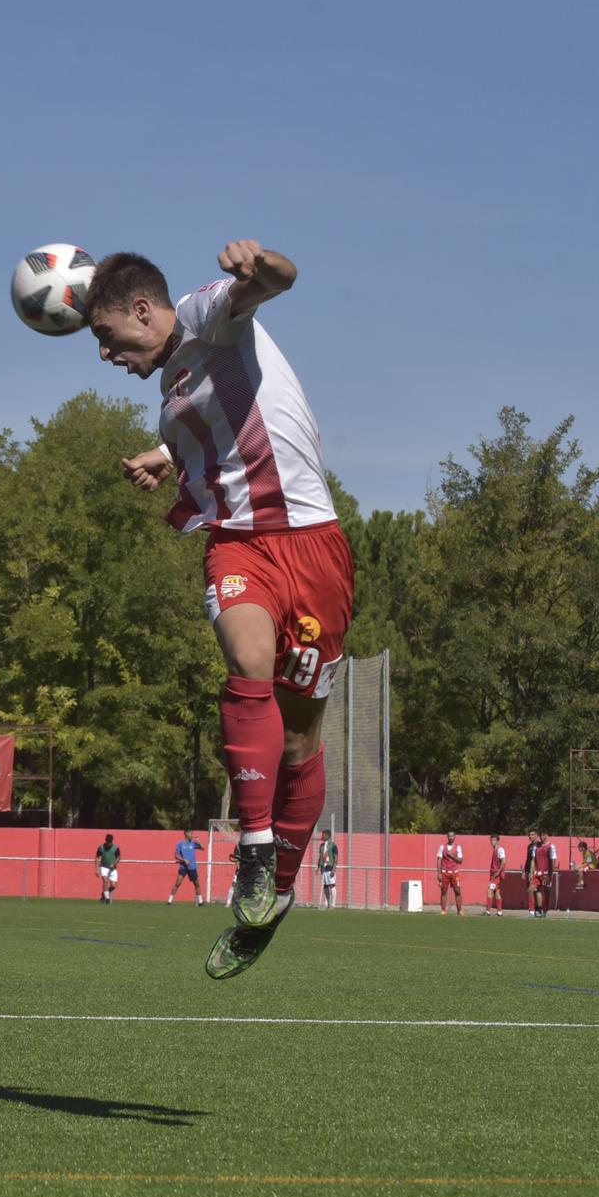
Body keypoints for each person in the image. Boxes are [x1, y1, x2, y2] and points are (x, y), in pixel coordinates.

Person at [84, 240, 354, 978]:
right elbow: (220, 427)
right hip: (239, 546)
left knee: (301, 741)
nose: (104, 354)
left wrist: (262, 263)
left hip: (314, 546)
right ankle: (257, 854)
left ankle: (277, 894)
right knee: (247, 660)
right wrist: (166, 455)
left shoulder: (208, 316)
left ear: (144, 310)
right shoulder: (175, 385)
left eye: (106, 336)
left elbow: (273, 284)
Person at [168, 830, 202, 905]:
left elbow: (202, 848)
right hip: (183, 867)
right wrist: (184, 860)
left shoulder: (193, 843)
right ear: (186, 834)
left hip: (192, 867)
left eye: (192, 833)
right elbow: (176, 855)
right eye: (191, 833)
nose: (192, 835)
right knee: (178, 883)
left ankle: (200, 902)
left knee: (197, 884)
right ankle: (170, 901)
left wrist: (199, 842)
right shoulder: (180, 844)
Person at [436, 831, 464, 916]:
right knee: (443, 891)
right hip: (444, 872)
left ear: (455, 837)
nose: (451, 838)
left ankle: (459, 910)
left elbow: (460, 860)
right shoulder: (442, 847)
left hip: (454, 872)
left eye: (452, 836)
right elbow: (439, 860)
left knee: (457, 891)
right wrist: (439, 873)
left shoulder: (458, 847)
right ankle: (443, 910)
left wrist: (451, 855)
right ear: (447, 837)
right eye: (449, 836)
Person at [316, 829, 339, 910]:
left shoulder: (333, 846)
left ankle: (333, 904)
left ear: (328, 836)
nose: (322, 836)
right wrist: (318, 867)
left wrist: (334, 868)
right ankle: (327, 903)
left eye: (323, 835)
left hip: (330, 868)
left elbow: (336, 858)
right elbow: (320, 857)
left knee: (332, 885)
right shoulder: (321, 846)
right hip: (323, 868)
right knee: (325, 886)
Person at [485, 834, 507, 916]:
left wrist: (498, 872)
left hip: (496, 875)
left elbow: (504, 861)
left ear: (498, 841)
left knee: (489, 891)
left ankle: (487, 912)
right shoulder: (495, 849)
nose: (492, 842)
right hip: (494, 874)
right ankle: (499, 912)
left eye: (494, 840)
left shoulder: (500, 849)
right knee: (497, 892)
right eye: (491, 840)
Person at [95, 834, 121, 904]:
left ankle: (104, 894)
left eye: (110, 842)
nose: (109, 844)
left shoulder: (116, 848)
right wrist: (97, 869)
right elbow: (97, 858)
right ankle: (107, 899)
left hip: (113, 869)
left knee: (113, 886)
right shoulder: (101, 847)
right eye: (108, 842)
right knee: (105, 881)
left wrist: (114, 864)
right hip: (103, 867)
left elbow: (118, 857)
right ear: (105, 841)